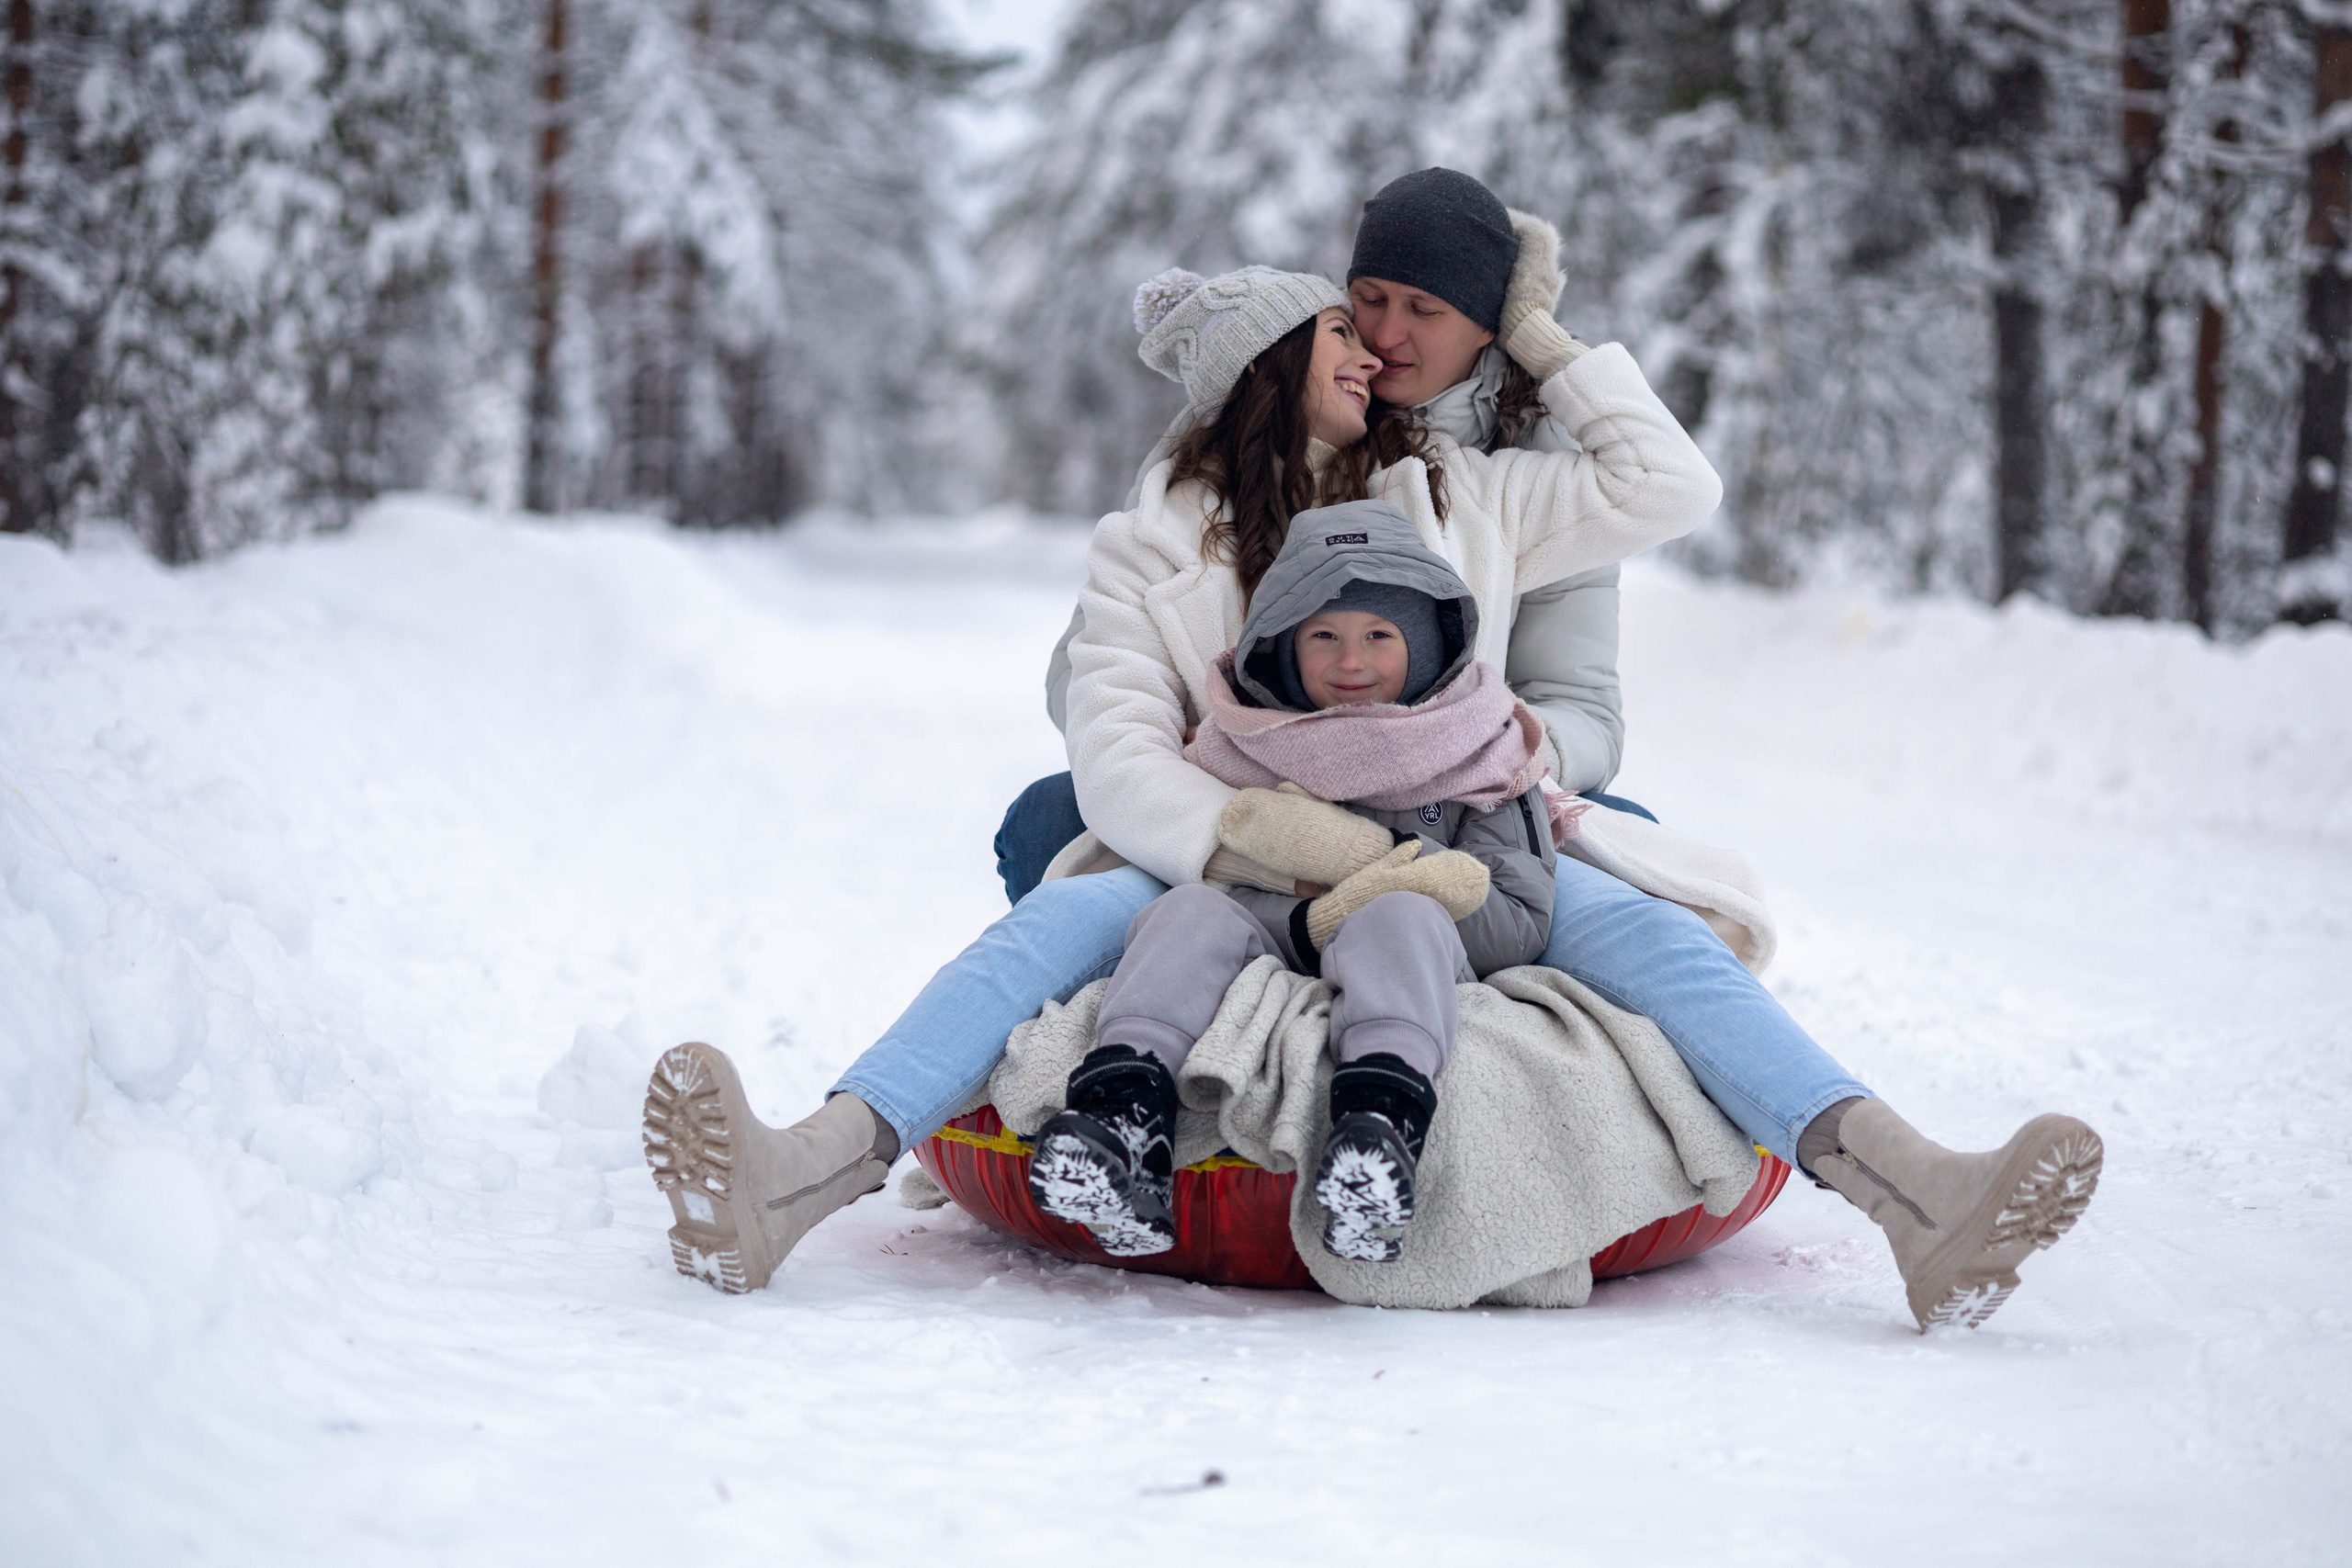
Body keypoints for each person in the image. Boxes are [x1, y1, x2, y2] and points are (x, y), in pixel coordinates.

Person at [644, 175, 2103, 1333]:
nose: (1379, 348)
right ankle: (798, 1170)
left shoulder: (1465, 490)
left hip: (1467, 851)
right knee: (1046, 922)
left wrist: (1536, 332)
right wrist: (1281, 841)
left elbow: (1671, 485)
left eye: (1405, 319)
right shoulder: (1148, 548)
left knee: (1668, 949)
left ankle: (1919, 1195)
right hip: (1239, 860)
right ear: (1275, 374)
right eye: (1351, 326)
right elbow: (1116, 751)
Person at [1027, 500, 1555, 1264]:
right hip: (1278, 943)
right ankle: (1123, 1118)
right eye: (1324, 638)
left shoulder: (1482, 748)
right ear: (1284, 649)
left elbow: (1519, 917)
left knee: (1399, 913)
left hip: (1418, 965)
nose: (1352, 662)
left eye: (1380, 635)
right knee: (1190, 909)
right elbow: (1233, 878)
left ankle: (1379, 1130)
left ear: (1428, 640)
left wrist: (1386, 878)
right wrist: (1309, 919)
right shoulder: (1250, 742)